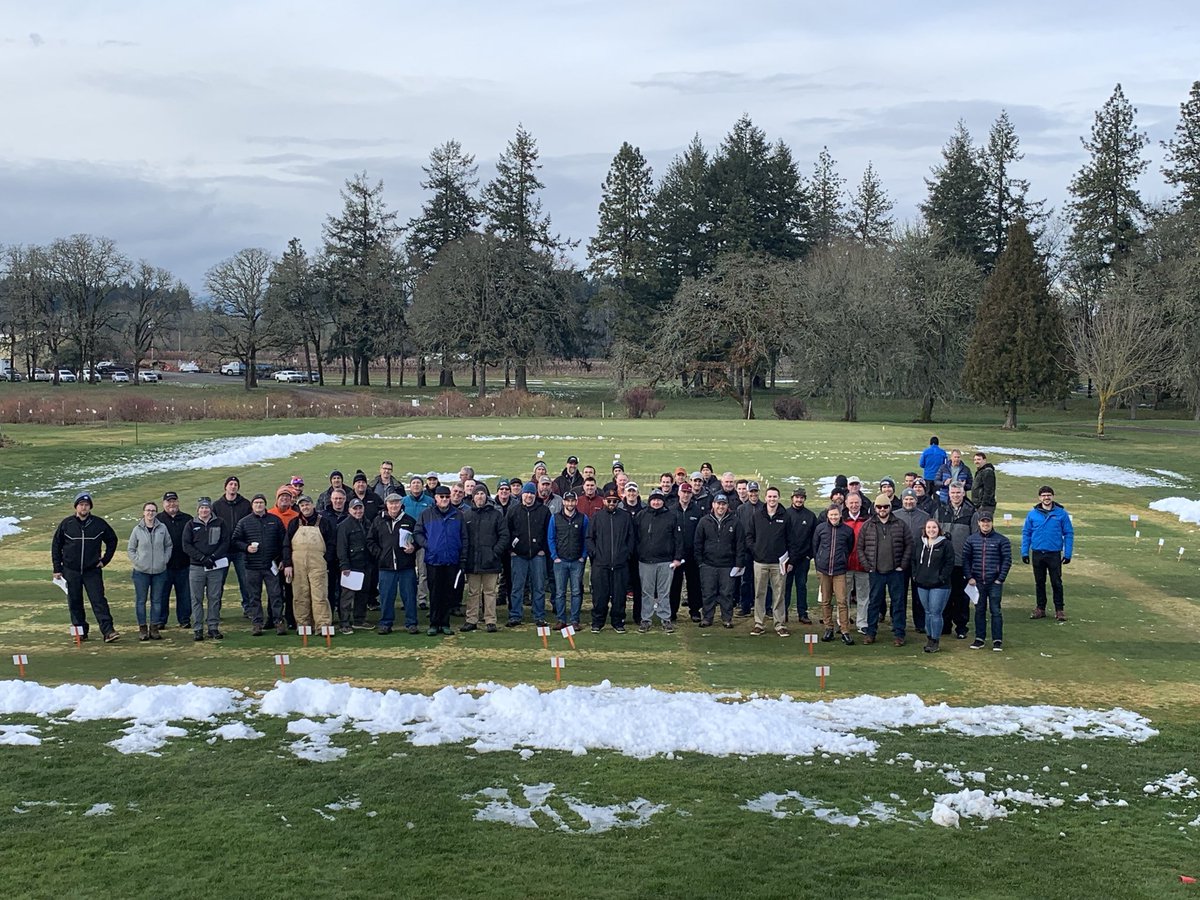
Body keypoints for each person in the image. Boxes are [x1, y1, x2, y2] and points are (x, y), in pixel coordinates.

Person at [52, 492, 120, 643]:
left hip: (92, 570)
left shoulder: (99, 524)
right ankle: (80, 632)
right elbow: (56, 546)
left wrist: (105, 560)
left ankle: (108, 631)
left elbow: (112, 540)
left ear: (90, 507)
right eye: (81, 505)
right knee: (74, 602)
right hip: (70, 570)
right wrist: (57, 569)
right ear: (76, 506)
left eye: (87, 505)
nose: (84, 507)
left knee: (99, 601)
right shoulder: (66, 524)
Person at [858, 494, 914, 646]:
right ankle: (871, 632)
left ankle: (899, 634)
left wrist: (902, 565)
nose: (882, 509)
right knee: (874, 603)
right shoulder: (868, 525)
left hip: (895, 572)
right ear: (875, 508)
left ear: (890, 507)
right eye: (879, 507)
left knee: (898, 603)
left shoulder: (900, 524)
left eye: (885, 507)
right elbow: (860, 548)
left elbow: (909, 545)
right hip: (876, 572)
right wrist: (868, 566)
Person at [230, 493, 287, 636]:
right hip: (252, 566)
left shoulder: (275, 520)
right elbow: (235, 541)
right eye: (256, 503)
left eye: (261, 502)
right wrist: (246, 547)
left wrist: (282, 560)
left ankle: (278, 621)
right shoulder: (244, 522)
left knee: (275, 595)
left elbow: (283, 542)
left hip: (271, 565)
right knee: (254, 596)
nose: (259, 505)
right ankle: (257, 623)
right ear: (252, 505)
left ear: (265, 504)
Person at [745, 486, 799, 637]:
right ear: (766, 497)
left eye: (775, 497)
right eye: (769, 497)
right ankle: (759, 623)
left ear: (779, 498)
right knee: (759, 594)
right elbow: (749, 536)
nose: (772, 499)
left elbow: (791, 540)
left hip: (779, 563)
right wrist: (755, 550)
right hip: (760, 562)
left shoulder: (786, 516)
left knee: (779, 594)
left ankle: (780, 624)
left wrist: (791, 561)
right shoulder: (757, 515)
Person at [415, 485, 468, 636]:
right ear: (436, 498)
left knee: (447, 593)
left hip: (452, 560)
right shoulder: (427, 514)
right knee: (435, 593)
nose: (444, 499)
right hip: (433, 560)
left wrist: (462, 557)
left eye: (446, 497)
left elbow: (464, 537)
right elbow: (418, 532)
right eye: (441, 497)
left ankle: (445, 623)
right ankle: (434, 623)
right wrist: (428, 545)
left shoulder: (458, 515)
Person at [283, 494, 335, 636]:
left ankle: (323, 626)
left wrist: (326, 560)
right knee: (300, 595)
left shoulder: (323, 522)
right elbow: (286, 545)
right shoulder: (294, 523)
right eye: (302, 505)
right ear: (299, 507)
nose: (305, 507)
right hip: (297, 563)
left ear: (312, 505)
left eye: (307, 504)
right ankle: (303, 625)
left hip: (318, 562)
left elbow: (331, 543)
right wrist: (287, 563)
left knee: (320, 595)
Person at [368, 492, 418, 635]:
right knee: (386, 596)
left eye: (397, 503)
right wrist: (380, 554)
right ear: (387, 505)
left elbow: (418, 539)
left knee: (409, 596)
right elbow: (370, 540)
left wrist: (413, 547)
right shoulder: (378, 521)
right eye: (391, 503)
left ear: (401, 504)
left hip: (406, 566)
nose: (394, 505)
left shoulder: (409, 520)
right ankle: (385, 623)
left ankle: (411, 623)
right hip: (386, 567)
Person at [1021, 485, 1073, 622]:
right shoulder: (1032, 514)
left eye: (1049, 495)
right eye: (1044, 495)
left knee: (1056, 582)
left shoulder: (1061, 513)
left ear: (1053, 496)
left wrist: (1068, 554)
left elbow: (1068, 533)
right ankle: (1040, 608)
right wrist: (1024, 552)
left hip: (1054, 553)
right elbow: (1026, 533)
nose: (1046, 497)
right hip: (1038, 552)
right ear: (1039, 498)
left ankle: (1059, 610)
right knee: (1039, 582)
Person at [587, 486, 635, 633]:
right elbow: (589, 538)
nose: (612, 503)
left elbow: (631, 538)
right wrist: (595, 554)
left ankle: (618, 622)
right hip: (601, 565)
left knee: (619, 596)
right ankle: (597, 622)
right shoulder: (597, 517)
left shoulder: (625, 517)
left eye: (615, 501)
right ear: (604, 501)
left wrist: (626, 554)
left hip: (620, 565)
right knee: (600, 596)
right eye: (609, 501)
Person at [182, 496, 230, 641]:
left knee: (214, 597)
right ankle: (198, 628)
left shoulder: (220, 523)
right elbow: (186, 546)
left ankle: (213, 627)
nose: (204, 510)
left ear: (210, 509)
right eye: (202, 508)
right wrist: (202, 558)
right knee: (196, 598)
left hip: (215, 566)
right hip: (196, 567)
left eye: (206, 508)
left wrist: (213, 557)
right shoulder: (191, 524)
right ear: (198, 510)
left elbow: (225, 542)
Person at [962, 512, 1012, 650]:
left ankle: (997, 640)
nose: (985, 524)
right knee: (979, 610)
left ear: (992, 522)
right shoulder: (971, 539)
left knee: (996, 611)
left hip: (994, 581)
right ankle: (979, 638)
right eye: (983, 522)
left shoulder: (1002, 540)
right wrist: (969, 577)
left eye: (988, 521)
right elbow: (965, 559)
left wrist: (1000, 579)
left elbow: (1006, 560)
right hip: (977, 581)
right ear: (978, 523)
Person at [636, 489, 683, 633]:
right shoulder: (641, 515)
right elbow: (635, 538)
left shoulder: (671, 516)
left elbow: (678, 539)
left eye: (659, 499)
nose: (656, 502)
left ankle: (665, 619)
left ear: (663, 501)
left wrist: (677, 558)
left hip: (665, 561)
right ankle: (646, 619)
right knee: (647, 592)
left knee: (664, 592)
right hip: (646, 561)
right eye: (654, 499)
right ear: (650, 501)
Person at [693, 493, 743, 628]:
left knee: (726, 594)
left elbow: (740, 544)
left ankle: (727, 619)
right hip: (708, 565)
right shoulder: (704, 521)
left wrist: (738, 564)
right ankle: (707, 618)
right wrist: (700, 562)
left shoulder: (735, 522)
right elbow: (698, 543)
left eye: (723, 504)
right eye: (718, 504)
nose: (721, 506)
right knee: (708, 592)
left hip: (727, 565)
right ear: (713, 505)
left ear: (727, 506)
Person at [462, 485, 508, 633]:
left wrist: (495, 552)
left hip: (491, 561)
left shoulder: (496, 515)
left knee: (489, 592)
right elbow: (463, 538)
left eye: (482, 494)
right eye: (477, 494)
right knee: (473, 592)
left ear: (486, 496)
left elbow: (504, 536)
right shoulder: (467, 515)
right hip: (473, 561)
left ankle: (490, 620)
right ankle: (471, 620)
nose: (480, 497)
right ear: (473, 497)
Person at [507, 482, 551, 627]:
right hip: (518, 555)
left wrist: (543, 548)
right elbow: (507, 531)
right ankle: (515, 615)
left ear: (535, 494)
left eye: (532, 493)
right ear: (522, 494)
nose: (529, 496)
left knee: (538, 587)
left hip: (538, 555)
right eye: (527, 493)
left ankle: (539, 616)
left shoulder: (544, 511)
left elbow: (548, 532)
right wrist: (511, 550)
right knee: (517, 587)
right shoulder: (513, 511)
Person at [937, 482, 977, 639]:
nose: (955, 495)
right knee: (944, 595)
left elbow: (975, 538)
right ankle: (945, 625)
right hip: (944, 562)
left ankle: (961, 627)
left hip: (962, 562)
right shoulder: (940, 511)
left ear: (963, 494)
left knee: (961, 597)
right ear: (948, 494)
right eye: (952, 493)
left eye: (958, 493)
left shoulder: (971, 513)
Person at [811, 505, 855, 645]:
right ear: (827, 515)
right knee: (826, 601)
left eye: (836, 515)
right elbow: (815, 547)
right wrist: (819, 562)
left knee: (842, 601)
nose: (834, 517)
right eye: (831, 515)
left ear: (840, 515)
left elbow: (849, 547)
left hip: (839, 571)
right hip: (824, 570)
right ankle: (828, 628)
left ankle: (845, 631)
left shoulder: (847, 531)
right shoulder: (820, 529)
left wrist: (842, 559)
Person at [127, 500, 171, 641]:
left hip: (159, 571)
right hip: (141, 572)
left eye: (153, 510)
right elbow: (131, 549)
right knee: (141, 601)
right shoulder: (137, 529)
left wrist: (164, 560)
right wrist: (138, 562)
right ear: (143, 512)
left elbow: (168, 545)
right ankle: (142, 629)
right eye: (148, 510)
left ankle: (154, 628)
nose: (150, 513)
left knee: (157, 601)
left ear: (156, 513)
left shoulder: (162, 528)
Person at [911, 519, 955, 653]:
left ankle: (935, 640)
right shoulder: (919, 543)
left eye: (934, 527)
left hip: (940, 586)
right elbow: (913, 560)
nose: (931, 530)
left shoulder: (945, 544)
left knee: (936, 612)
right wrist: (915, 575)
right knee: (927, 612)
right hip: (922, 583)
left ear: (938, 529)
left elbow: (949, 563)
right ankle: (929, 638)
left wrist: (941, 578)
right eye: (929, 527)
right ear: (925, 529)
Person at [894, 488, 932, 634]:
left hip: (919, 561)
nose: (909, 502)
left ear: (916, 500)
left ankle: (920, 623)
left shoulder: (925, 517)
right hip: (900, 561)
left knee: (919, 594)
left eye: (911, 499)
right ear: (902, 500)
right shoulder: (895, 516)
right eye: (906, 499)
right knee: (899, 595)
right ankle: (899, 623)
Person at [548, 490, 587, 629]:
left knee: (576, 592)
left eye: (572, 501)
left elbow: (585, 539)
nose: (570, 503)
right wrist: (555, 556)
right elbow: (551, 538)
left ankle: (575, 620)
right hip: (560, 561)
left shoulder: (583, 518)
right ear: (563, 502)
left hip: (577, 561)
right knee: (560, 592)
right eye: (567, 501)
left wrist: (583, 556)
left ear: (576, 502)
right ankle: (561, 620)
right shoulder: (555, 518)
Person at [213, 476, 252, 617]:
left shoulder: (246, 504)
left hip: (240, 549)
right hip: (222, 551)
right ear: (226, 487)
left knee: (245, 581)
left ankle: (248, 609)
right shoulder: (217, 505)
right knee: (218, 582)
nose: (233, 486)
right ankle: (215, 610)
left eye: (235, 484)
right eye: (231, 484)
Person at [155, 491, 193, 630]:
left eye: (174, 501)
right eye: (169, 501)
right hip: (164, 566)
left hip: (184, 564)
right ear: (163, 504)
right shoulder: (158, 519)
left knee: (185, 594)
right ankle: (160, 620)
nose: (172, 504)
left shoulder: (187, 519)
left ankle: (184, 619)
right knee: (162, 594)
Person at [336, 498, 372, 632]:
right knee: (347, 596)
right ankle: (344, 623)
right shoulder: (344, 526)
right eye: (355, 509)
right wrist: (344, 565)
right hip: (351, 566)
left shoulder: (367, 523)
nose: (358, 511)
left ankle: (359, 619)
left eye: (360, 508)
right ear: (349, 510)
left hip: (365, 564)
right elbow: (341, 547)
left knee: (363, 594)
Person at [670, 482, 704, 623]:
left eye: (688, 493)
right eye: (683, 492)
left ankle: (695, 611)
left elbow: (701, 534)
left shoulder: (697, 511)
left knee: (694, 584)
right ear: (679, 493)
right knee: (674, 584)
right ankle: (672, 612)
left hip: (692, 555)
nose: (685, 495)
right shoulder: (671, 511)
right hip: (676, 556)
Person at [784, 488, 817, 625]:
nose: (799, 500)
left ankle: (802, 614)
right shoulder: (785, 514)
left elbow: (814, 538)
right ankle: (783, 613)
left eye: (801, 497)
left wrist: (810, 555)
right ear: (792, 498)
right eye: (796, 497)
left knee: (801, 586)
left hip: (803, 559)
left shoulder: (810, 516)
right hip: (787, 559)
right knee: (786, 586)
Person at [842, 493, 871, 633]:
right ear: (846, 504)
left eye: (856, 503)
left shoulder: (867, 520)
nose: (854, 506)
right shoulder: (841, 520)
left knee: (863, 596)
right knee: (844, 596)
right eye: (851, 503)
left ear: (860, 503)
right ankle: (843, 622)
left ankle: (862, 623)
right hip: (845, 565)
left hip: (862, 565)